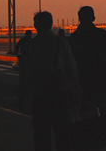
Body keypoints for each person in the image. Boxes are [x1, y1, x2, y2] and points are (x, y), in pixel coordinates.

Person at [19, 11, 79, 151]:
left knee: (41, 134)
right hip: (59, 93)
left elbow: (25, 73)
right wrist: (76, 89)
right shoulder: (61, 43)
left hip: (39, 95)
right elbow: (71, 69)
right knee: (62, 132)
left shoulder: (31, 46)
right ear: (51, 24)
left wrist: (22, 95)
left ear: (35, 25)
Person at [68, 6, 106, 151]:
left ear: (79, 19)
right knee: (104, 114)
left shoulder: (73, 38)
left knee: (82, 116)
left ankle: (86, 143)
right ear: (93, 18)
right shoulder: (104, 36)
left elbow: (69, 64)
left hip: (82, 83)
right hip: (101, 82)